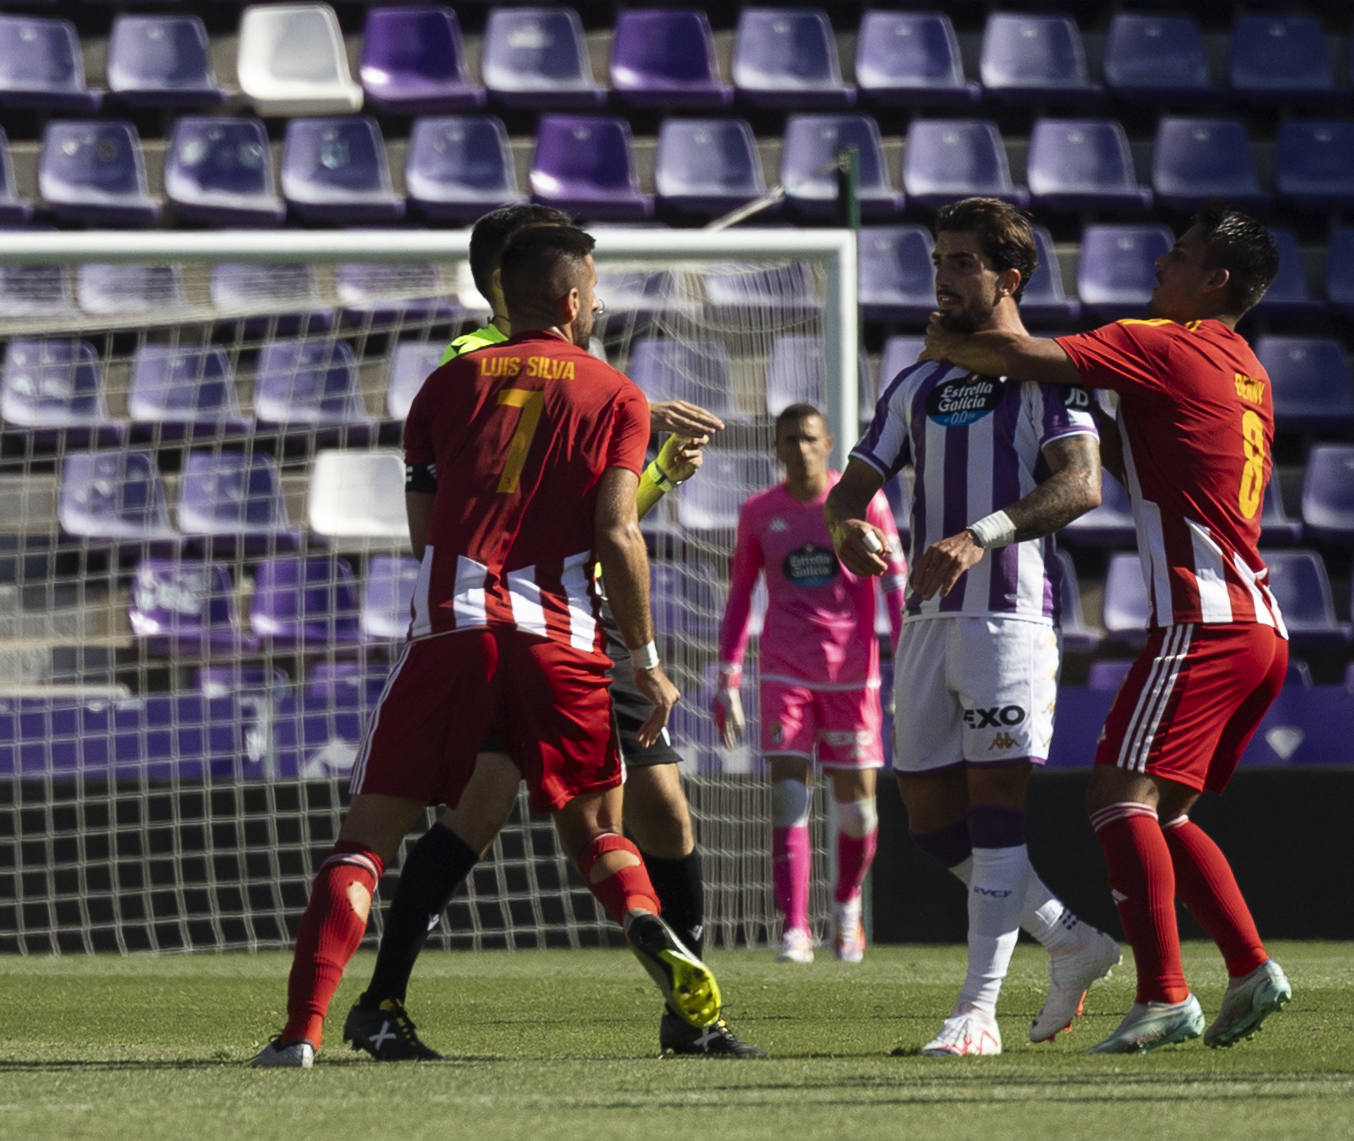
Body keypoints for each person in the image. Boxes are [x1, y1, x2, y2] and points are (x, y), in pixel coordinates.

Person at [251, 224, 723, 1067]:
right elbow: (617, 533)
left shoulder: (446, 383)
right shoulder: (616, 393)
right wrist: (647, 660)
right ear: (576, 299)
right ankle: (643, 919)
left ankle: (302, 1033)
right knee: (599, 830)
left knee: (364, 841)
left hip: (452, 629)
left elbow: (424, 532)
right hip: (563, 641)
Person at [919, 201, 1292, 1055]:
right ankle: (1249, 965)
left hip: (1204, 621)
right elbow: (1147, 463)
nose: (1160, 264)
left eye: (1180, 255)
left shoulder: (1164, 341)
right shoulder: (1245, 372)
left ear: (1215, 281)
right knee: (1165, 816)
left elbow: (1012, 353)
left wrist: (943, 341)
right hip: (1260, 627)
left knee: (1115, 797)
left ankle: (1164, 992)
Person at [825, 197, 1119, 1057]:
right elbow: (851, 488)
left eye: (962, 263)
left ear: (1007, 277)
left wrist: (978, 534)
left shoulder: (1043, 381)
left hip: (1010, 616)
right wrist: (848, 529)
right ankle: (1073, 938)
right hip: (924, 620)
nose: (943, 278)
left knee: (996, 813)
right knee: (929, 822)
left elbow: (1081, 486)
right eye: (939, 261)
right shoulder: (915, 381)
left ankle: (974, 1012)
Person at [714, 403, 906, 965]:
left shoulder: (862, 503)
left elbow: (894, 586)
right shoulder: (759, 512)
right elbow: (740, 597)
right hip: (784, 670)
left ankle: (848, 910)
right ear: (776, 448)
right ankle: (795, 929)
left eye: (809, 438)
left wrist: (905, 661)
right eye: (789, 439)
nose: (799, 448)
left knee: (859, 814)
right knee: (788, 796)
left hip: (854, 674)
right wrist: (728, 676)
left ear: (829, 445)